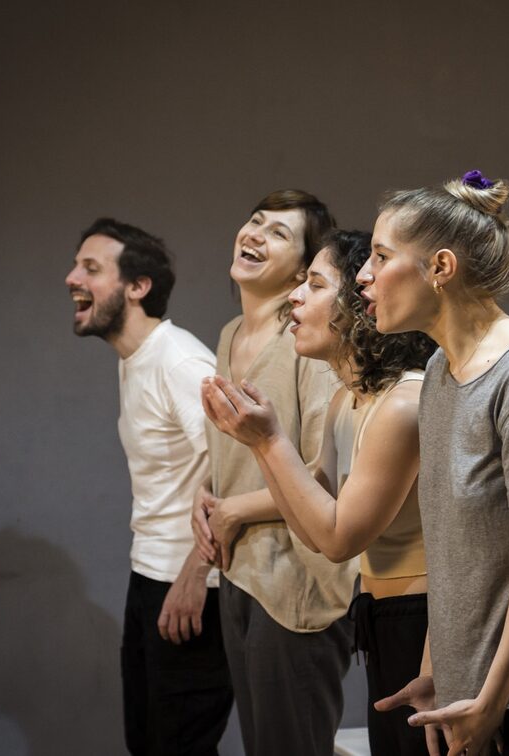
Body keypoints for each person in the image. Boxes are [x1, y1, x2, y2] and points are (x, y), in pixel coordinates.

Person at [359, 173, 509, 755]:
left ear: (440, 267)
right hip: (473, 692)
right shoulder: (439, 369)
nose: (363, 275)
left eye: (380, 256)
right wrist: (438, 669)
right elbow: (457, 547)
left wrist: (493, 700)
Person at [200, 229, 437, 756]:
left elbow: (337, 539)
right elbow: (310, 522)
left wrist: (267, 441)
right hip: (379, 615)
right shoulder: (346, 401)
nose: (294, 296)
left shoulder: (403, 403)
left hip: (422, 622)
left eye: (314, 283)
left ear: (358, 303)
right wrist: (256, 441)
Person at [189, 190, 355, 755]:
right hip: (240, 569)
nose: (255, 233)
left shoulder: (309, 340)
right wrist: (206, 493)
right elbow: (235, 446)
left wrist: (233, 509)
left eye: (279, 233)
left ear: (302, 271)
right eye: (255, 221)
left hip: (298, 581)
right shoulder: (230, 332)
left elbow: (326, 473)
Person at [64, 218, 232, 755]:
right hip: (151, 577)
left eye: (91, 268)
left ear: (138, 287)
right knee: (147, 742)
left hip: (193, 588)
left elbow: (237, 466)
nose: (72, 278)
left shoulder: (178, 360)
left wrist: (195, 574)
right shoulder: (137, 359)